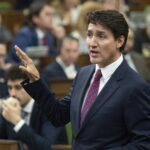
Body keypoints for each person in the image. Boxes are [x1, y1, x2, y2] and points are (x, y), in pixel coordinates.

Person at [15, 10, 150, 150]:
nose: (92, 43)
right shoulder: (83, 74)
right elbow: (59, 115)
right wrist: (36, 81)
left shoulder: (136, 87)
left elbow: (143, 144)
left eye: (101, 36)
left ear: (120, 41)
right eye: (89, 34)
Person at [0, 65, 68, 150]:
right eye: (10, 88)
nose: (12, 94)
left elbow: (47, 147)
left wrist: (18, 122)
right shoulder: (9, 108)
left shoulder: (48, 108)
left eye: (18, 88)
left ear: (29, 87)